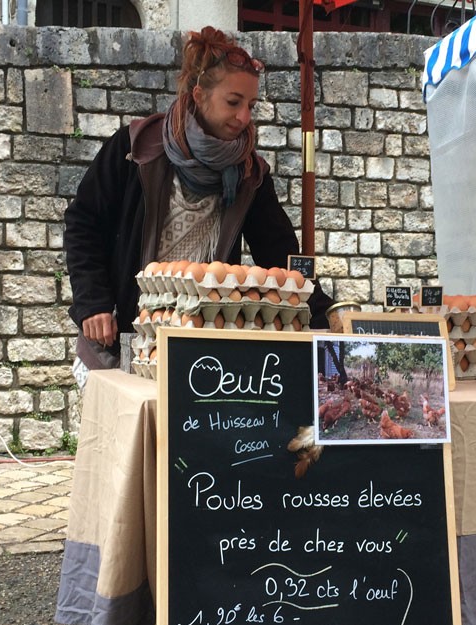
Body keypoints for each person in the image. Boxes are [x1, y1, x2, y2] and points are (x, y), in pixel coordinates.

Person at [64, 26, 331, 380]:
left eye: (251, 105)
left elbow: (280, 254)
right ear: (199, 94)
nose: (244, 118)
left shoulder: (250, 172)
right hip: (122, 337)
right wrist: (93, 302)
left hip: (199, 347)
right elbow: (84, 223)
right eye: (233, 102)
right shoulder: (135, 150)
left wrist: (327, 312)